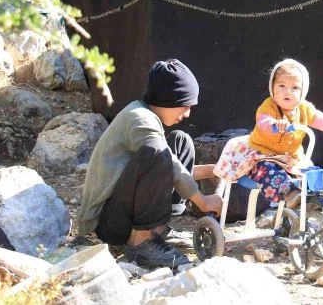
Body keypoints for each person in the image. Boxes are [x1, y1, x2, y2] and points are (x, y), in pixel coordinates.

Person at [78, 59, 223, 268]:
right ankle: (141, 243)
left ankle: (158, 230)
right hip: (106, 224)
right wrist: (203, 201)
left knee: (180, 141)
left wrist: (213, 171)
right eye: (185, 105)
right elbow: (167, 164)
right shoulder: (139, 119)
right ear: (168, 99)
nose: (187, 113)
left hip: (123, 210)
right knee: (159, 151)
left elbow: (169, 170)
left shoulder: (146, 115)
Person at [214, 58, 323, 211]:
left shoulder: (305, 108)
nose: (287, 92)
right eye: (281, 86)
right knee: (266, 170)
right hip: (263, 154)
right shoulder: (269, 106)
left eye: (295, 88)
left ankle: (313, 199)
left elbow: (322, 120)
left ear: (303, 91)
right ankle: (290, 195)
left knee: (311, 172)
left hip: (290, 157)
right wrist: (274, 124)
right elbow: (263, 121)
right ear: (272, 87)